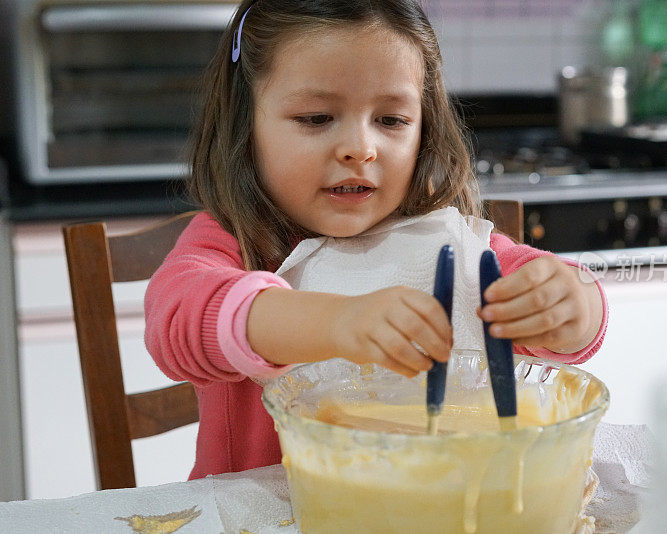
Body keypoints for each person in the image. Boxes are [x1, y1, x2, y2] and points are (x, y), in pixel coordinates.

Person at [145, 0, 608, 481]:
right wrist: (337, 321)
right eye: (316, 118)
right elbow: (176, 322)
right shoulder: (233, 239)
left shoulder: (448, 240)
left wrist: (572, 304)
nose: (360, 148)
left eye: (390, 120)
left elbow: (565, 303)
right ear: (247, 125)